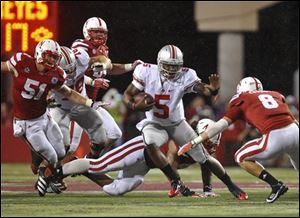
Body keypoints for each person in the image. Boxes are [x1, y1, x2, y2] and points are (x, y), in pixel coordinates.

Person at [122, 44, 248, 199]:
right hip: (154, 123)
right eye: (167, 65)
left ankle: (231, 185)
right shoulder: (146, 71)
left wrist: (212, 90)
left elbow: (203, 89)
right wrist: (134, 105)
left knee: (203, 157)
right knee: (150, 144)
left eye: (175, 67)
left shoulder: (187, 74)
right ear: (159, 63)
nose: (170, 70)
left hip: (176, 123)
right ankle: (176, 182)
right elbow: (127, 94)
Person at [0, 39, 107, 196]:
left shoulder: (56, 74)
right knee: (50, 155)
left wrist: (89, 102)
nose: (51, 60)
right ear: (39, 54)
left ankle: (45, 174)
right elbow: (3, 66)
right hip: (27, 122)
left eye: (54, 57)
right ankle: (46, 178)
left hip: (45, 118)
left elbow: (68, 93)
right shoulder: (21, 62)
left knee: (60, 152)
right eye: (49, 56)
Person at [179, 77, 299, 203]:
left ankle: (275, 185)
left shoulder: (241, 98)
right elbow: (293, 119)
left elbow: (220, 125)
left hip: (275, 135)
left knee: (240, 156)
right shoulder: (275, 94)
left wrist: (194, 141)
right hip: (294, 131)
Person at [56, 119, 221, 197]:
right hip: (140, 148)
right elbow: (169, 164)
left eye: (210, 143)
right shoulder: (180, 140)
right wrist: (184, 190)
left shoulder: (199, 149)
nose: (207, 147)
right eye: (206, 141)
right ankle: (53, 174)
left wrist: (208, 190)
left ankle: (80, 167)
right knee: (100, 165)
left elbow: (206, 164)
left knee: (117, 190)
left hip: (146, 164)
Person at [71, 17, 143, 152]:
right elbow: (75, 71)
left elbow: (110, 68)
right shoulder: (80, 46)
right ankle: (49, 170)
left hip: (92, 104)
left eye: (102, 32)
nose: (99, 35)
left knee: (115, 134)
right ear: (86, 32)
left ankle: (91, 159)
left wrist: (130, 66)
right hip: (77, 103)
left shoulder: (104, 50)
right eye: (95, 32)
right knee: (71, 146)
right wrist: (95, 73)